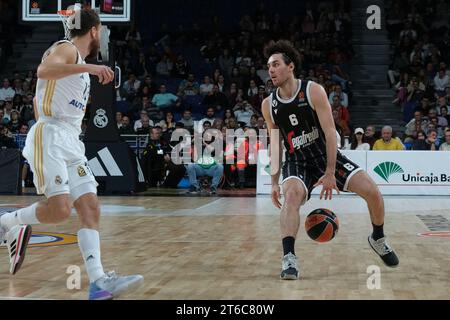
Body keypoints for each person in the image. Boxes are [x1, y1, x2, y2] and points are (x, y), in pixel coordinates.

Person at [0, 9, 143, 300]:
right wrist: (90, 70)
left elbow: (43, 93)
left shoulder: (76, 61)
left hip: (69, 139)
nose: (101, 34)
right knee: (60, 210)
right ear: (93, 30)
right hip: (51, 136)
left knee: (91, 208)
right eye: (101, 29)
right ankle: (8, 224)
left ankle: (98, 283)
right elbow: (43, 72)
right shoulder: (65, 49)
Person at [260, 40, 399, 280]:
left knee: (373, 192)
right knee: (290, 197)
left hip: (326, 155)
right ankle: (289, 259)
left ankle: (378, 238)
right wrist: (274, 181)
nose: (271, 70)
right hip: (297, 161)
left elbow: (330, 133)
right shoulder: (268, 105)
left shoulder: (313, 90)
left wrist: (330, 172)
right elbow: (275, 144)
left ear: (290, 66)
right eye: (269, 66)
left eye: (276, 64)